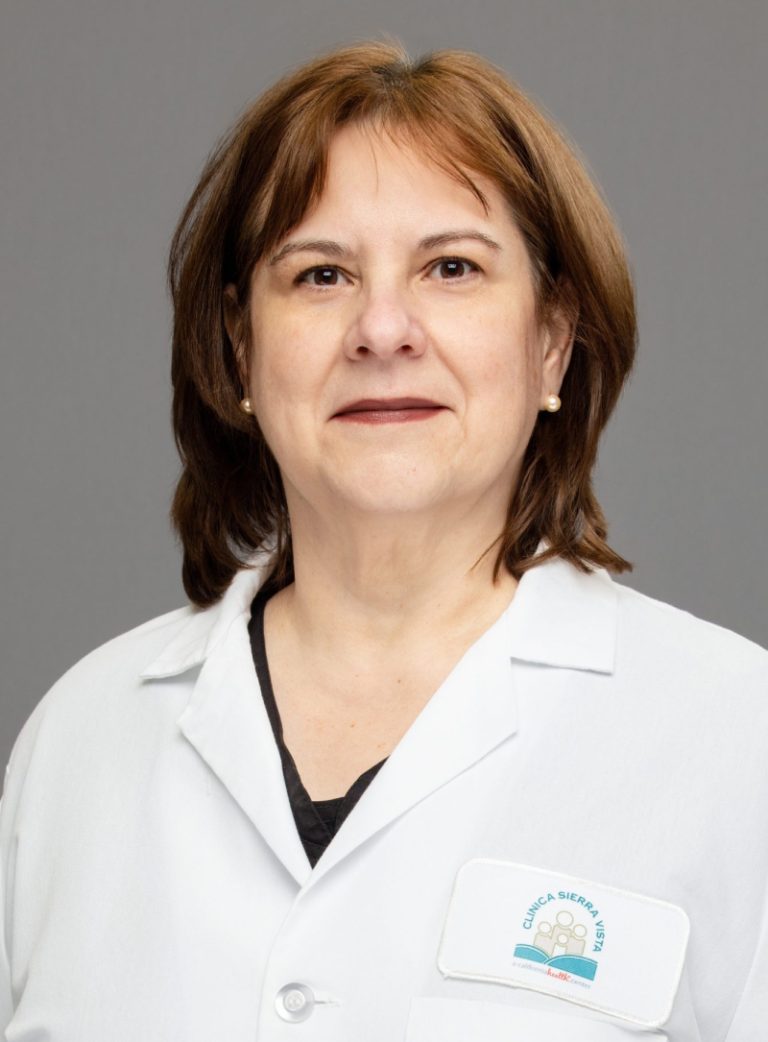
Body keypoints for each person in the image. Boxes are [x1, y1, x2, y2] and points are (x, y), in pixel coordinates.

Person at [1, 37, 766, 1042]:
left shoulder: (734, 738)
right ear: (239, 346)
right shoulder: (80, 739)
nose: (383, 329)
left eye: (452, 268)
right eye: (321, 275)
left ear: (552, 342)